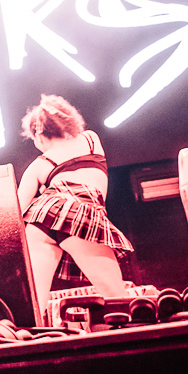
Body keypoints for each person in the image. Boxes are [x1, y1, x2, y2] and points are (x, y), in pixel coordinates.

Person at [16, 95, 133, 317]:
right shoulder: (89, 140)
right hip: (78, 213)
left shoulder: (38, 165)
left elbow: (16, 212)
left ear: (39, 135)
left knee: (35, 307)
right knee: (117, 298)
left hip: (41, 219)